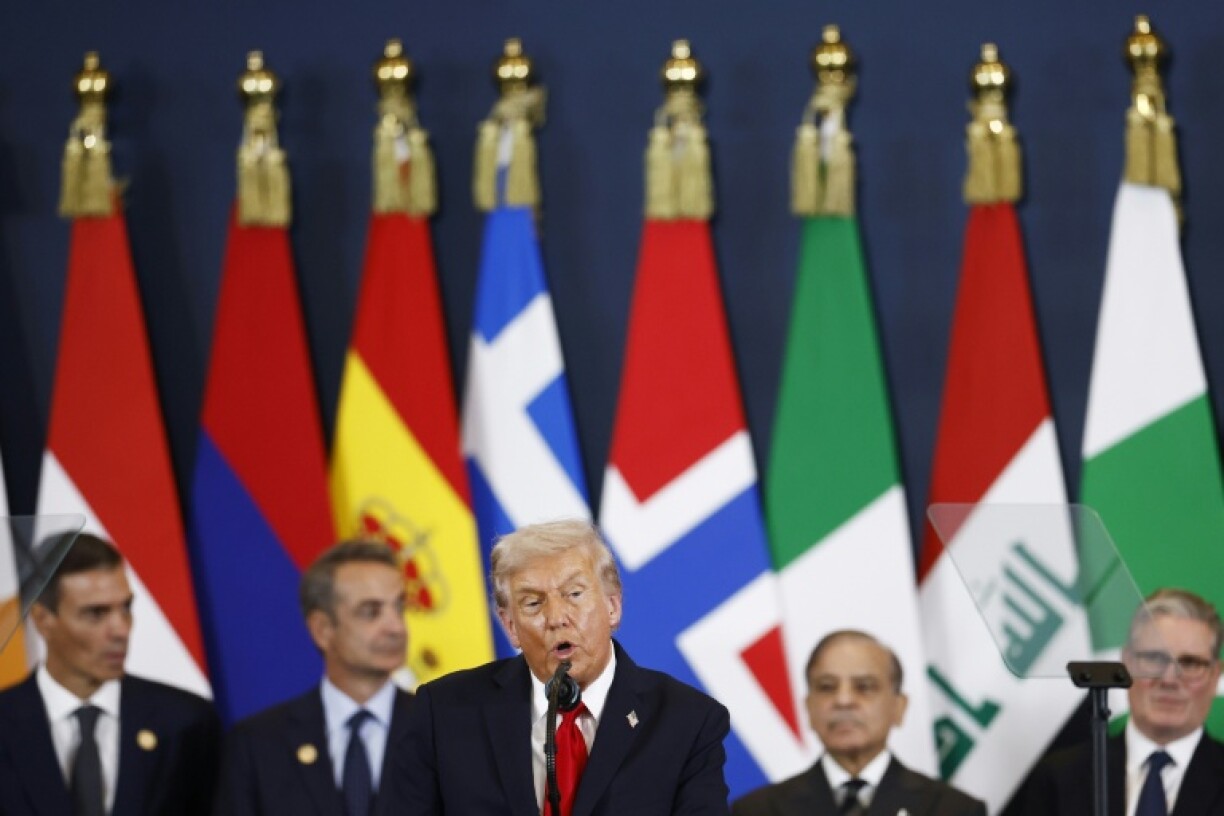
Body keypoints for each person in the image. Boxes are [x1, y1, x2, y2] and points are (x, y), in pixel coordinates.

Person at [397, 518, 730, 815]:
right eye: (533, 603)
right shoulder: (444, 713)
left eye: (574, 593)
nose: (556, 618)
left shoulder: (687, 721)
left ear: (612, 607)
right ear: (510, 625)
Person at [0, 532, 220, 816]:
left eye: (125, 607)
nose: (121, 630)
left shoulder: (185, 722)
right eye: (96, 613)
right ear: (43, 620)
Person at [214, 539, 414, 816]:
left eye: (399, 608)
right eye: (371, 612)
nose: (396, 627)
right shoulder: (258, 744)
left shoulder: (441, 730)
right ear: (322, 629)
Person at [1014, 587, 1224, 815]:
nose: (1169, 679)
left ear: (1215, 675)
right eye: (1154, 658)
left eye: (1190, 663)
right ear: (1126, 663)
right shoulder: (1059, 777)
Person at [732, 630, 984, 816]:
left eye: (864, 687)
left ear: (899, 706)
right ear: (808, 708)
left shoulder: (955, 810)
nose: (843, 700)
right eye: (827, 687)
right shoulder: (756, 811)